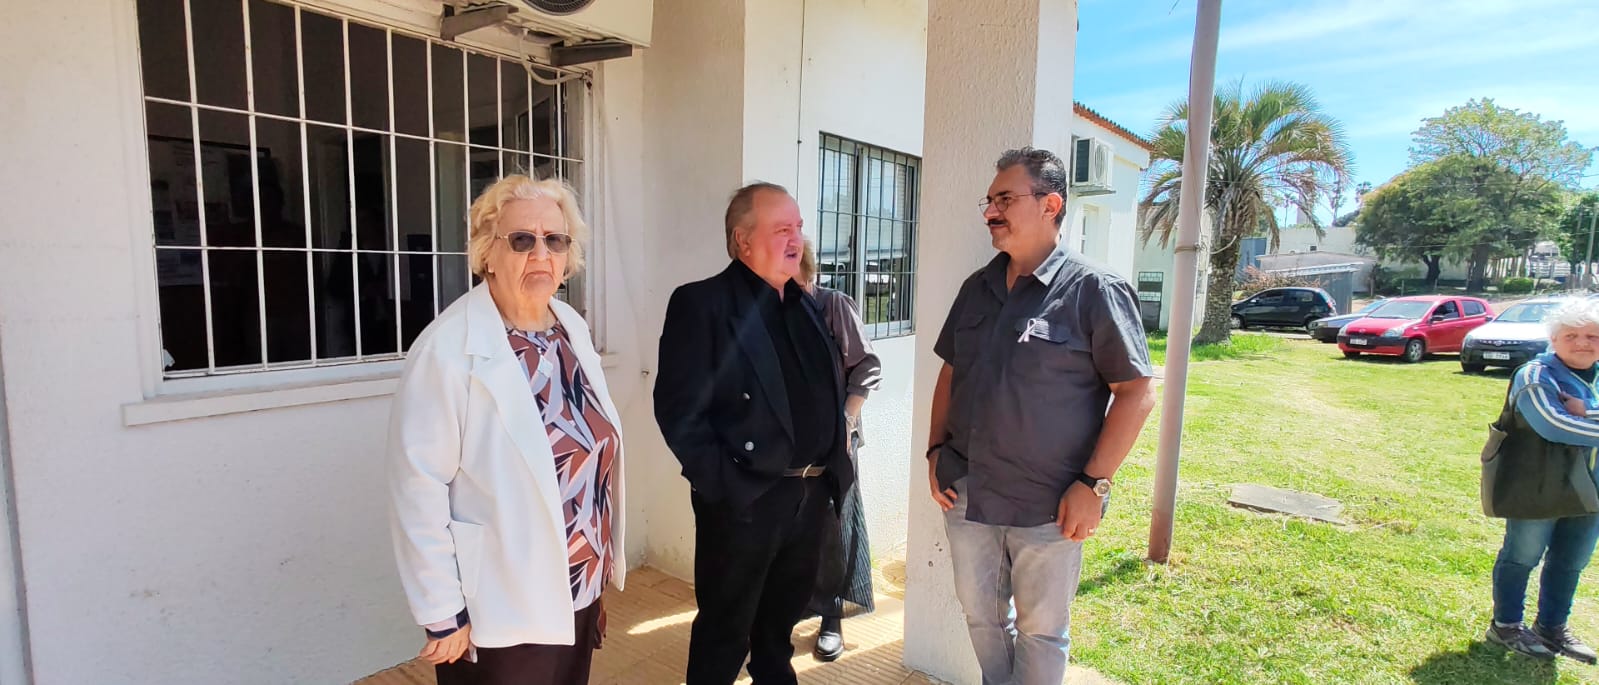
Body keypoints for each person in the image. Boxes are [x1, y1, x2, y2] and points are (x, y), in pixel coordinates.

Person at [925, 147, 1157, 685]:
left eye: (1005, 199)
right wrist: (935, 452)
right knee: (982, 618)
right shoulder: (976, 288)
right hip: (967, 492)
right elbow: (949, 373)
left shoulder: (1093, 290)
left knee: (1042, 631)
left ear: (1051, 204)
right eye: (990, 201)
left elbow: (1135, 392)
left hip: (1050, 505)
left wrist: (1093, 484)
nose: (990, 212)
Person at [388, 175, 626, 684]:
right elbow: (417, 487)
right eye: (522, 239)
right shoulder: (447, 349)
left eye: (554, 239)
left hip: (576, 590)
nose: (541, 252)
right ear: (487, 252)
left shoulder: (569, 327)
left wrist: (596, 577)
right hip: (500, 604)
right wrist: (442, 612)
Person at [654, 183, 855, 684]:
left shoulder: (806, 303)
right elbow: (679, 410)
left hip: (809, 497)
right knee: (725, 633)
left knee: (778, 633)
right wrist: (726, 487)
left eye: (799, 227)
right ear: (743, 241)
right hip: (746, 500)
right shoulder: (701, 302)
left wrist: (832, 471)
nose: (797, 238)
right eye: (782, 228)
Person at [1487, 298, 1599, 663]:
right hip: (1538, 483)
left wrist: (1588, 413)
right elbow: (1554, 426)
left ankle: (1552, 627)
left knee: (1571, 561)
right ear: (1554, 338)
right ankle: (1505, 626)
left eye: (1592, 335)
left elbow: (1576, 425)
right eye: (1572, 334)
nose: (1583, 342)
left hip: (1593, 490)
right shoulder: (1535, 375)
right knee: (1522, 556)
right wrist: (1578, 418)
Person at [797, 242, 882, 661]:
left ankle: (832, 617)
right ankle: (793, 608)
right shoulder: (773, 309)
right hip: (790, 446)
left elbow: (867, 367)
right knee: (793, 528)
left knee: (835, 524)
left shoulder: (834, 306)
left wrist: (846, 423)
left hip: (835, 438)